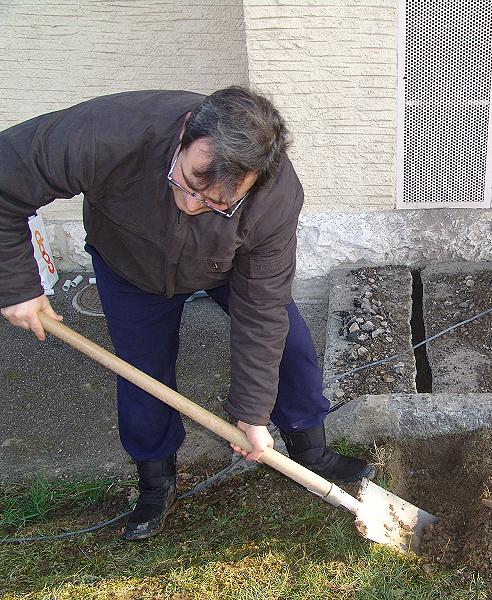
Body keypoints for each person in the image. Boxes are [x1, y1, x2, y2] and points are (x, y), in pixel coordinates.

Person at [0, 87, 375, 540]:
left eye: (219, 203)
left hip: (223, 268)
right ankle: (157, 479)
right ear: (184, 133)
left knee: (289, 343)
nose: (193, 205)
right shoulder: (109, 133)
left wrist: (252, 414)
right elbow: (5, 179)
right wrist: (18, 284)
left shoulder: (274, 198)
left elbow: (262, 308)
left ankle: (308, 446)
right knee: (143, 372)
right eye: (189, 184)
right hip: (129, 265)